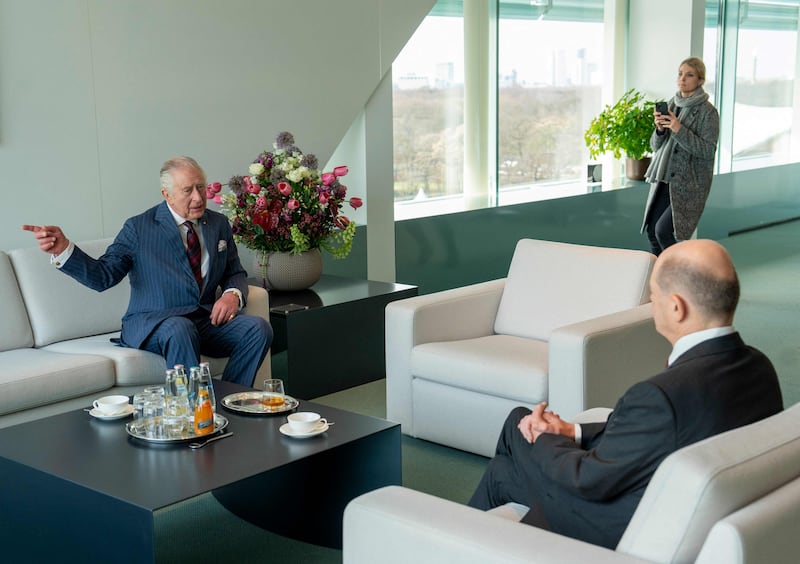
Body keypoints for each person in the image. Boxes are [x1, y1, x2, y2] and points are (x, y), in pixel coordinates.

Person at [467, 239, 783, 549]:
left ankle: (453, 541)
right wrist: (571, 431)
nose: (650, 305)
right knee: (503, 469)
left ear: (676, 307)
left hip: (611, 524)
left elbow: (586, 480)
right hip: (665, 499)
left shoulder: (660, 397)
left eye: (652, 296)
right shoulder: (759, 368)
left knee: (518, 425)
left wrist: (545, 436)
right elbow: (652, 438)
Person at [22, 156, 272, 387]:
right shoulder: (138, 228)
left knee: (258, 329)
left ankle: (230, 401)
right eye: (187, 190)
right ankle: (196, 413)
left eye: (201, 187)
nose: (198, 197)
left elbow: (234, 272)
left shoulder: (218, 224)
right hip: (154, 323)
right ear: (167, 194)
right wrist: (64, 250)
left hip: (203, 321)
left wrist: (232, 295)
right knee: (179, 328)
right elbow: (103, 276)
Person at [641, 57, 720, 256]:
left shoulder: (708, 113)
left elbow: (707, 151)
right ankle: (660, 280)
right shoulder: (671, 104)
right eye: (680, 73)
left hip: (688, 182)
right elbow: (655, 146)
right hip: (664, 178)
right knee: (652, 231)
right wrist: (660, 130)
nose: (682, 79)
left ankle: (679, 275)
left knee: (663, 231)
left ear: (700, 80)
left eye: (689, 75)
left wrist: (678, 129)